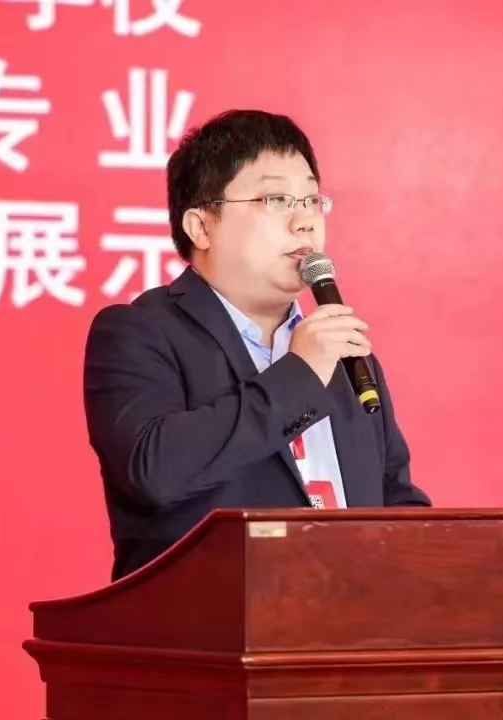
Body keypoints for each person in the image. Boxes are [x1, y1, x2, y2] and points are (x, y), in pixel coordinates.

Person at [83, 109, 432, 581]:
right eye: (276, 200)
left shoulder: (343, 351)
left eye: (311, 200)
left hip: (344, 621)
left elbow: (394, 500)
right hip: (209, 620)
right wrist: (299, 376)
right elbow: (154, 471)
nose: (304, 221)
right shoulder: (139, 333)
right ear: (201, 226)